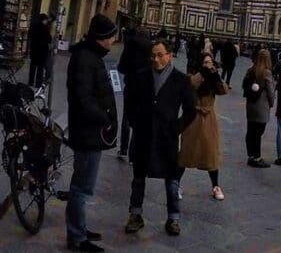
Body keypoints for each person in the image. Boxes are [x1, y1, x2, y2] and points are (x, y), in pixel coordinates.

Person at [124, 39, 196, 237]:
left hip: (167, 137)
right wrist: (135, 122)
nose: (155, 59)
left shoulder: (181, 80)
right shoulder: (141, 76)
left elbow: (191, 110)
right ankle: (135, 215)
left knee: (172, 178)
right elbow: (129, 101)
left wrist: (177, 128)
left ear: (169, 55)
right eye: (152, 55)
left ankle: (173, 218)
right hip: (143, 134)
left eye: (159, 55)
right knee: (138, 176)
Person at [65, 14, 119, 252]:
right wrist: (104, 119)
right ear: (101, 38)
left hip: (90, 132)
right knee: (81, 187)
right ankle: (77, 237)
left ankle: (79, 228)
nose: (113, 40)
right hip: (87, 132)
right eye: (110, 36)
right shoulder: (85, 59)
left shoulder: (91, 56)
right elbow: (83, 98)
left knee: (83, 185)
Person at [178, 52, 229, 200]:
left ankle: (216, 186)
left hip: (208, 118)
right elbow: (192, 83)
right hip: (193, 116)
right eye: (205, 62)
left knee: (211, 152)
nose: (208, 65)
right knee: (186, 152)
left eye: (210, 62)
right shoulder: (192, 75)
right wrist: (203, 73)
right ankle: (176, 184)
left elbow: (224, 90)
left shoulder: (213, 77)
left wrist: (216, 77)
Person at [116, 21, 150, 159]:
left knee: (126, 117)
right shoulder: (151, 47)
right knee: (139, 119)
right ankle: (133, 154)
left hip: (130, 85)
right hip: (145, 88)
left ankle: (123, 149)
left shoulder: (130, 45)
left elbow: (121, 67)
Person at [242, 49, 275, 167]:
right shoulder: (266, 73)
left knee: (250, 130)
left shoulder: (250, 70)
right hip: (261, 106)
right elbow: (271, 91)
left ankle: (250, 155)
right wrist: (271, 103)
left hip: (250, 104)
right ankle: (257, 157)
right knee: (258, 132)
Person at [27, 13, 52, 89]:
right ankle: (38, 83)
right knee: (40, 68)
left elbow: (29, 35)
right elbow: (49, 39)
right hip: (42, 51)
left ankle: (30, 82)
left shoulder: (34, 26)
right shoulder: (45, 28)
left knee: (33, 66)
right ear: (43, 20)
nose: (46, 21)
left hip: (34, 50)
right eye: (46, 20)